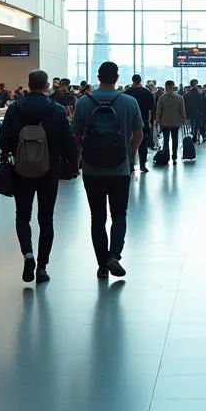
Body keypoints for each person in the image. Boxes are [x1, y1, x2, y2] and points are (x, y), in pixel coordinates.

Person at [0, 70, 77, 284]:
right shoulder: (57, 110)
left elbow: (2, 140)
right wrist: (73, 164)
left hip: (21, 170)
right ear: (46, 86)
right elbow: (67, 141)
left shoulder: (15, 109)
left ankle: (28, 254)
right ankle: (42, 267)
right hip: (49, 170)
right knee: (46, 218)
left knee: (22, 216)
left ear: (29, 84)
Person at [73, 62, 143, 278]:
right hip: (119, 169)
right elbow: (138, 134)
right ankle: (114, 255)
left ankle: (102, 265)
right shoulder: (129, 102)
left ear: (98, 76)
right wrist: (130, 156)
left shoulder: (84, 102)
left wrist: (78, 161)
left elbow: (76, 136)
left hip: (92, 169)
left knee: (97, 217)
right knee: (119, 214)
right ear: (117, 77)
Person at [125, 74, 156, 172]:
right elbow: (151, 109)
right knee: (143, 144)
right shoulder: (147, 93)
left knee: (129, 144)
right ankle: (142, 165)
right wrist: (151, 122)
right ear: (140, 81)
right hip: (143, 121)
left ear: (132, 80)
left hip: (129, 122)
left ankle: (130, 165)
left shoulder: (126, 93)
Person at [155, 79, 187, 163]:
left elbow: (159, 110)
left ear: (166, 86)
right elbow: (182, 110)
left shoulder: (161, 98)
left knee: (165, 139)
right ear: (173, 87)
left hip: (164, 122)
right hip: (176, 122)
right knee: (175, 138)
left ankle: (166, 155)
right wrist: (184, 120)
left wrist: (157, 120)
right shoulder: (179, 98)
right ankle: (174, 155)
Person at [184, 79, 206, 145]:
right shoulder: (199, 95)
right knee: (197, 125)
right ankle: (196, 136)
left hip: (189, 113)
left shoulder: (187, 95)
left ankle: (193, 136)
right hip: (198, 113)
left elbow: (184, 105)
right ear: (196, 85)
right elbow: (201, 105)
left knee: (192, 125)